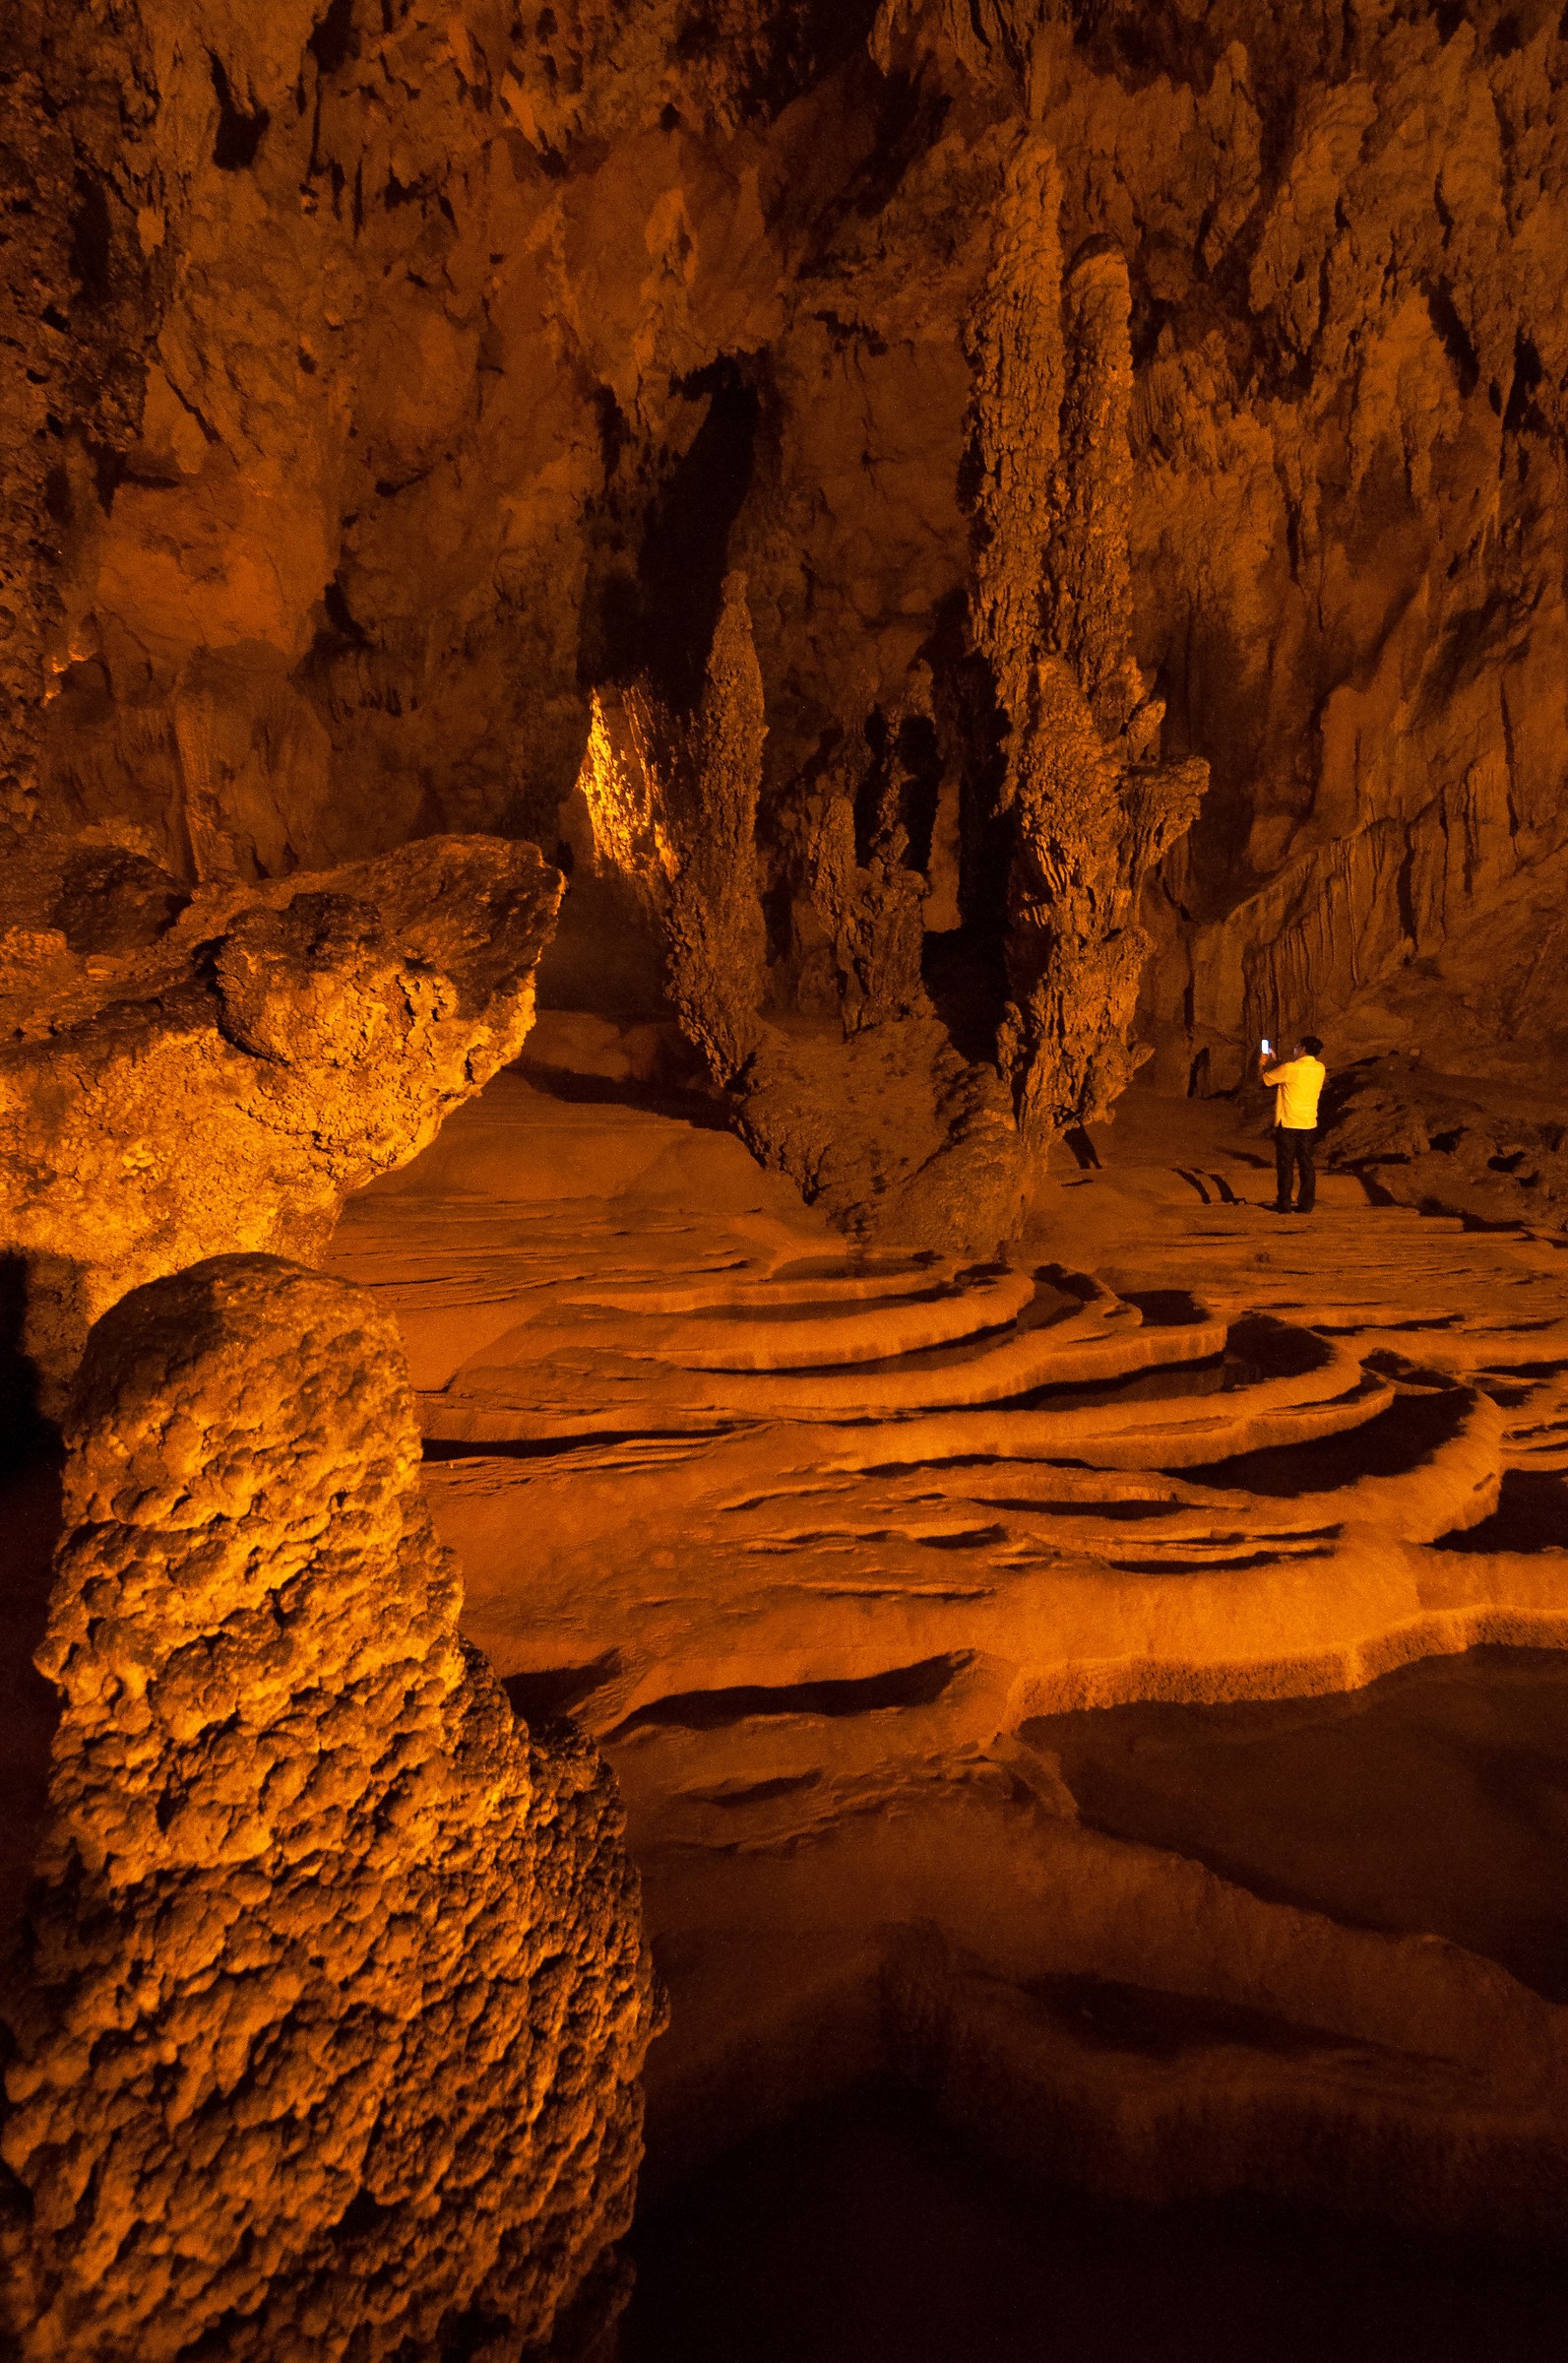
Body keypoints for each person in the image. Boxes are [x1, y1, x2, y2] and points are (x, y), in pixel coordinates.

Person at [1259, 1033, 1326, 1213]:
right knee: (1306, 1163)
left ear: (1303, 1049)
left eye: (1297, 1046)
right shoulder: (1320, 1068)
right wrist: (1277, 1061)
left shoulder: (1290, 1068)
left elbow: (1267, 1079)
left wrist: (1263, 1063)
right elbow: (1292, 1073)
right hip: (1308, 1123)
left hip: (1289, 1122)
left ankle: (1284, 1203)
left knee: (1286, 1164)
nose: (1295, 1049)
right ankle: (1306, 1203)